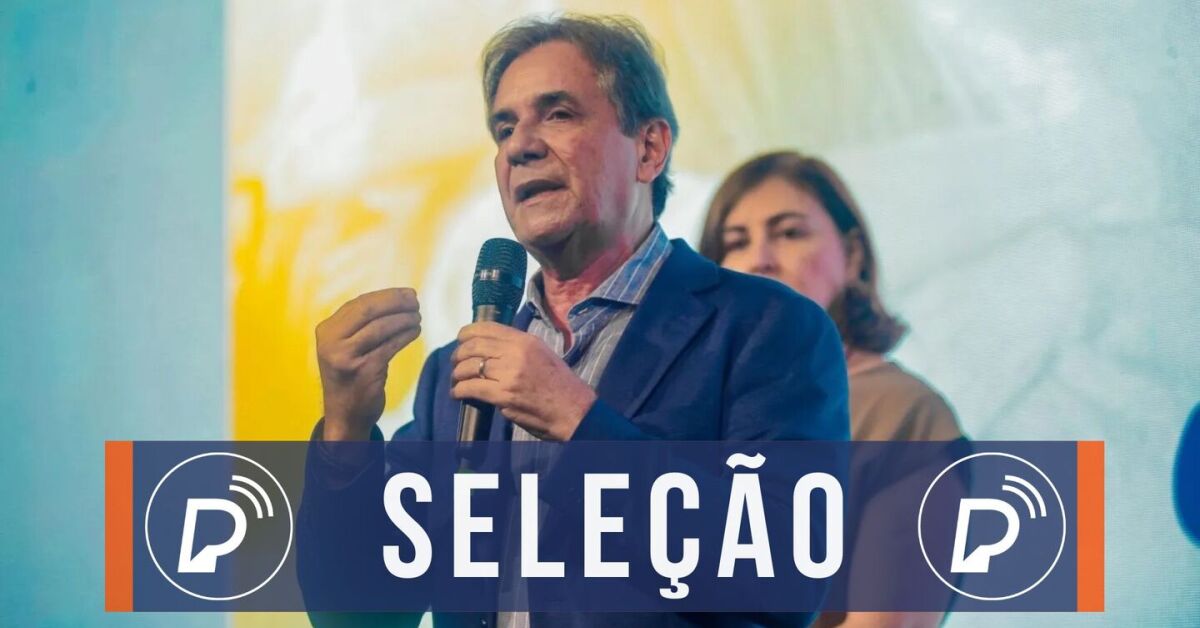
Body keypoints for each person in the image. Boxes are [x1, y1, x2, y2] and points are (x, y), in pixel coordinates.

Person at [300, 16, 849, 628]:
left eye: (557, 114)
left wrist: (579, 422)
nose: (520, 146)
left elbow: (783, 578)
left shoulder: (766, 329)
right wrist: (346, 430)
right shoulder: (454, 378)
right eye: (504, 128)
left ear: (649, 148)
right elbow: (360, 616)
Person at [699, 151, 965, 628]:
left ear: (853, 254)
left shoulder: (904, 414)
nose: (759, 259)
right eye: (736, 242)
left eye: (789, 233)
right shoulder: (694, 405)